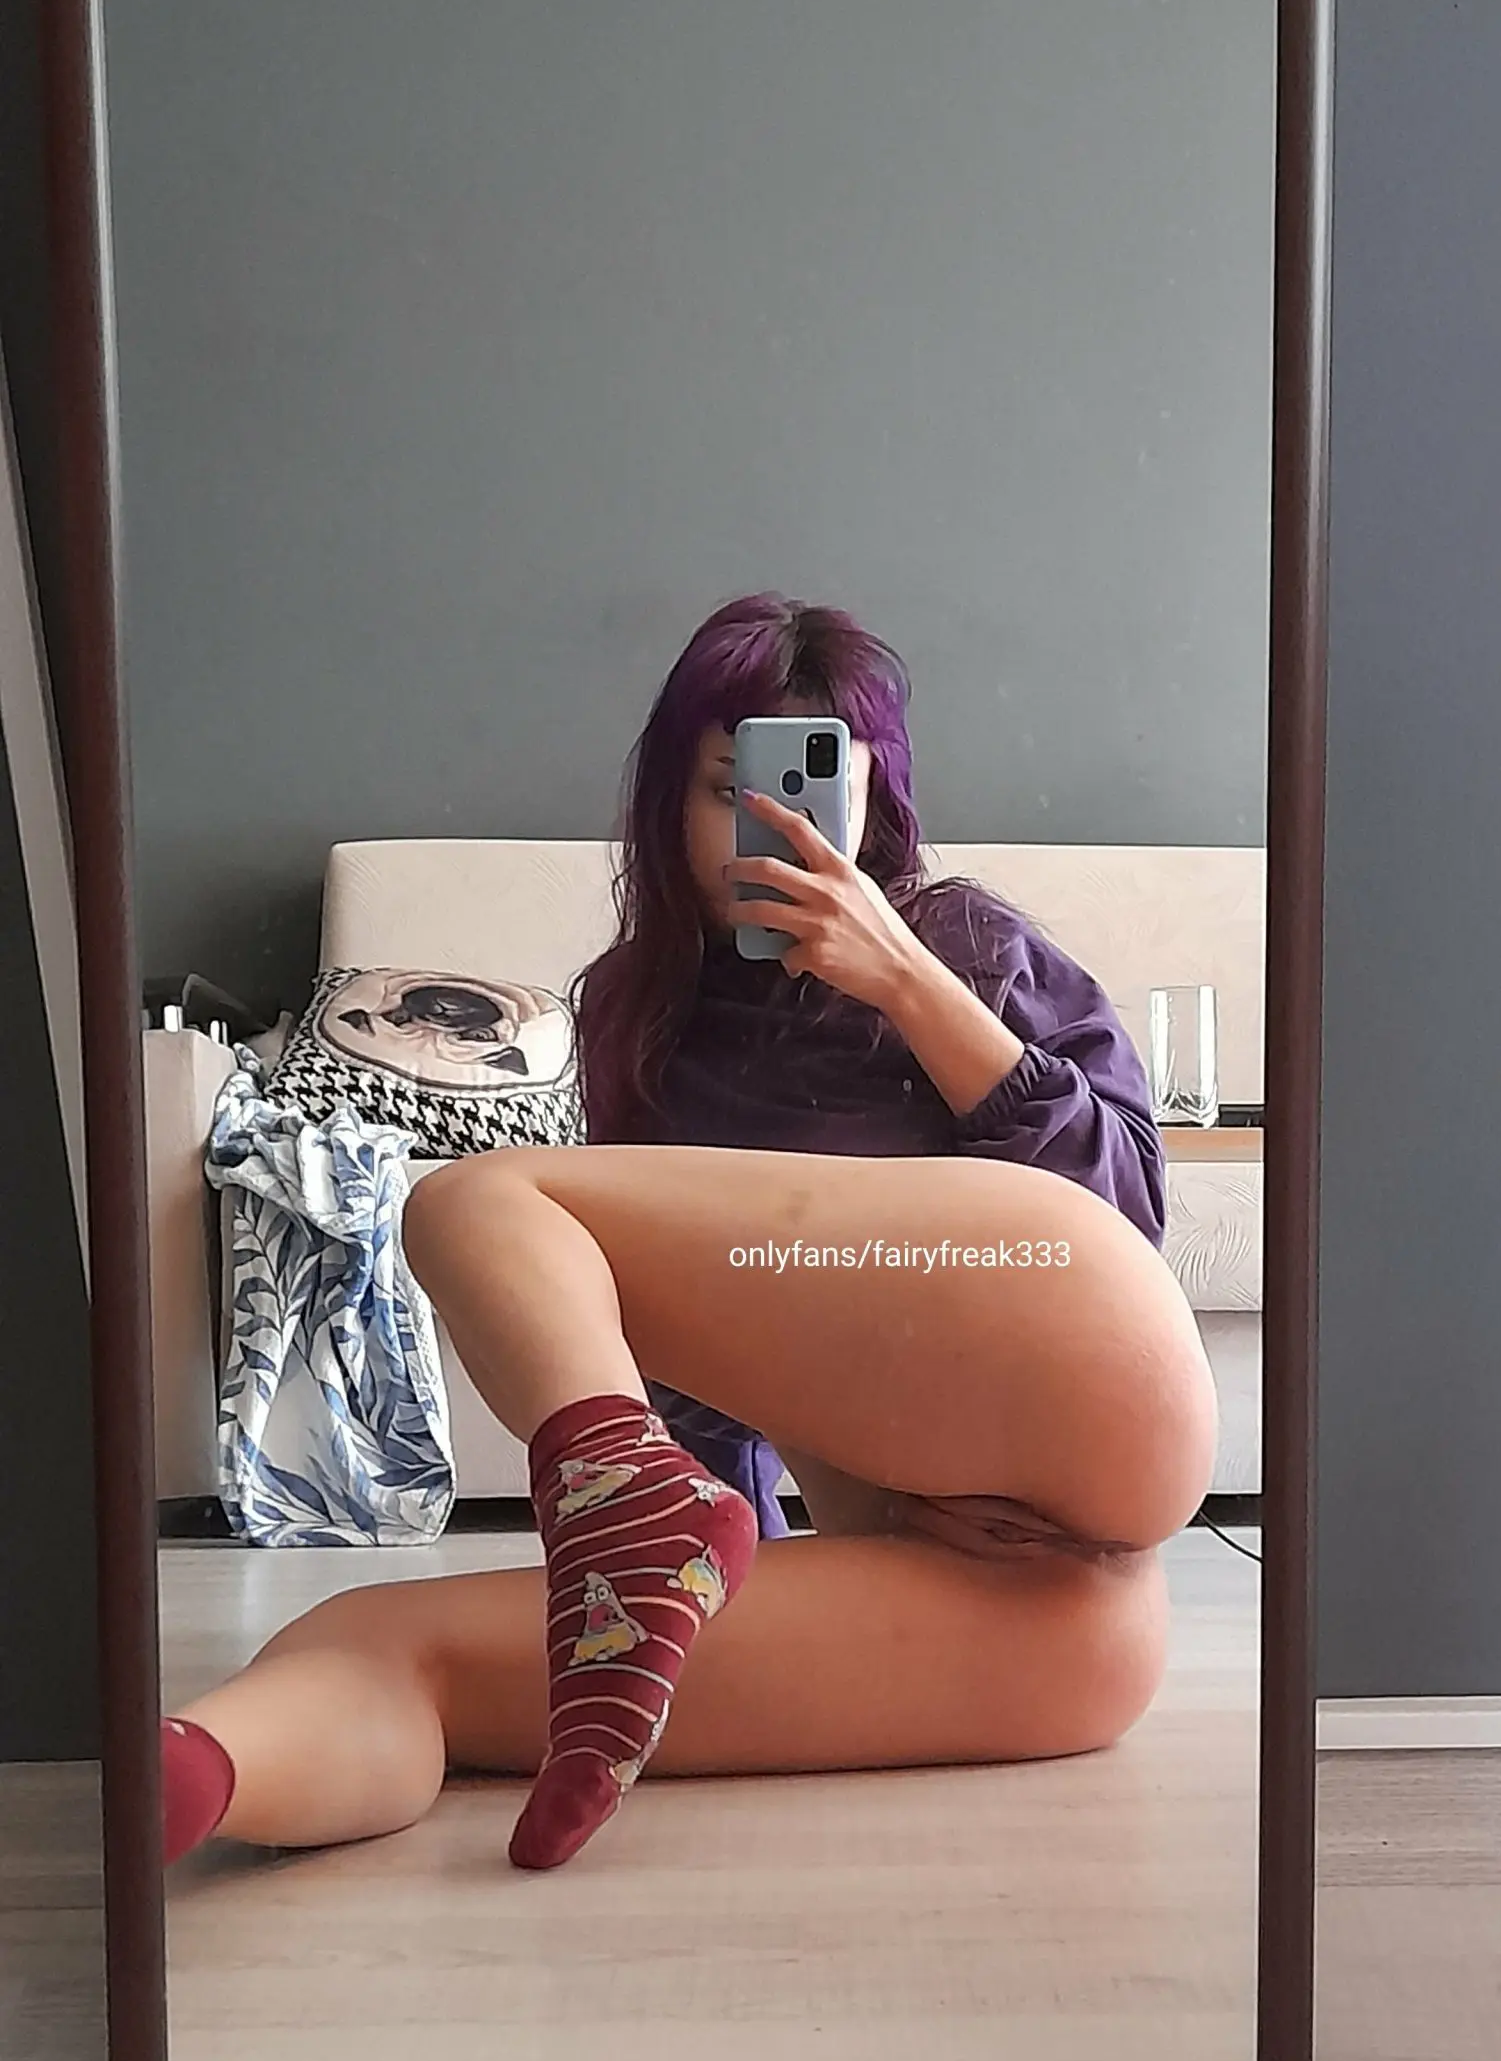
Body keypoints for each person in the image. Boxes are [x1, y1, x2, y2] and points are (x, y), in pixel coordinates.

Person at [159, 595, 1217, 1872]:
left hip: (1100, 1392)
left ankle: (622, 1506)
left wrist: (902, 978)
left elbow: (1122, 1221)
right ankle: (177, 1782)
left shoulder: (966, 946)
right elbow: (690, 1370)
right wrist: (713, 1555)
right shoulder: (638, 1011)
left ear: (877, 799)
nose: (772, 824)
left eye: (817, 785)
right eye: (730, 790)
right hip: (1059, 1640)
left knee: (478, 1198)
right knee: (375, 1642)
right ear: (669, 800)